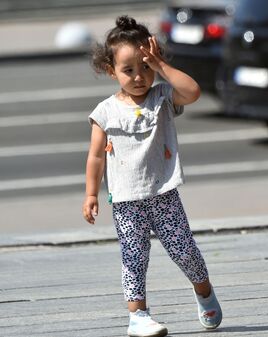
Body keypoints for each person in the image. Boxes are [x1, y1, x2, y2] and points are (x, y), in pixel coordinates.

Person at [82, 15, 222, 337]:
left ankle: (203, 291)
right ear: (111, 71)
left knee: (185, 252)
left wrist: (161, 66)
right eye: (128, 70)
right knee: (133, 258)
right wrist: (91, 194)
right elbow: (94, 156)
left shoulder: (161, 98)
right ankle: (138, 316)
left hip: (164, 195)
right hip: (127, 203)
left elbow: (193, 91)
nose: (138, 77)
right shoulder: (104, 112)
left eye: (145, 67)